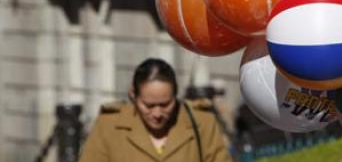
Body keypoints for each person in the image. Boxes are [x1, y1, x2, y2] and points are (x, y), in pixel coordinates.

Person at [80, 58, 232, 162]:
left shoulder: (202, 123)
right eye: (148, 105)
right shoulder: (109, 126)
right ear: (133, 95)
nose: (157, 114)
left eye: (166, 104)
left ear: (176, 95)